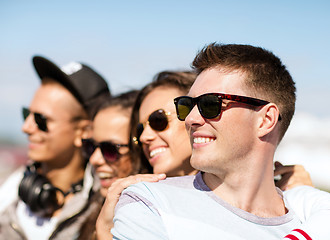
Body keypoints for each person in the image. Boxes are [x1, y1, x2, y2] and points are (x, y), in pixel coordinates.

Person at [110, 43, 330, 239]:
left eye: (210, 104)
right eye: (187, 105)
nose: (191, 119)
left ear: (266, 119)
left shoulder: (313, 221)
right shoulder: (150, 204)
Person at [0, 56, 111, 239]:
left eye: (41, 120)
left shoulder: (107, 207)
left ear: (83, 131)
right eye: (27, 114)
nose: (26, 127)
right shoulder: (9, 191)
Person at [76, 90, 165, 240]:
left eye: (110, 149)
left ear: (141, 148)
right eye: (90, 146)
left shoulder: (156, 218)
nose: (95, 159)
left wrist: (104, 232)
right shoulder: (90, 207)